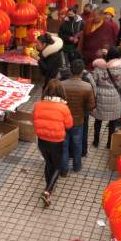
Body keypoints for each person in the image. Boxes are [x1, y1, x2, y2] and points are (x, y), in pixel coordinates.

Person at [33, 79, 73, 207]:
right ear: (61, 91)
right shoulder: (63, 107)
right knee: (57, 166)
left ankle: (48, 186)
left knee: (48, 163)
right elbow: (69, 125)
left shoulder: (38, 104)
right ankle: (47, 191)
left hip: (41, 140)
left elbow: (33, 119)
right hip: (56, 141)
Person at [61, 59, 95, 175]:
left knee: (64, 145)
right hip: (78, 121)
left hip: (63, 120)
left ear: (70, 70)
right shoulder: (87, 87)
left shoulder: (61, 85)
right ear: (82, 72)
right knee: (77, 144)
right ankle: (77, 166)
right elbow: (91, 106)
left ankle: (64, 169)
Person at [91, 48, 121, 149]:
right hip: (114, 96)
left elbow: (93, 82)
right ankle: (109, 143)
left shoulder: (98, 68)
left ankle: (96, 141)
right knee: (113, 122)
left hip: (100, 96)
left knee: (98, 119)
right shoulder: (120, 69)